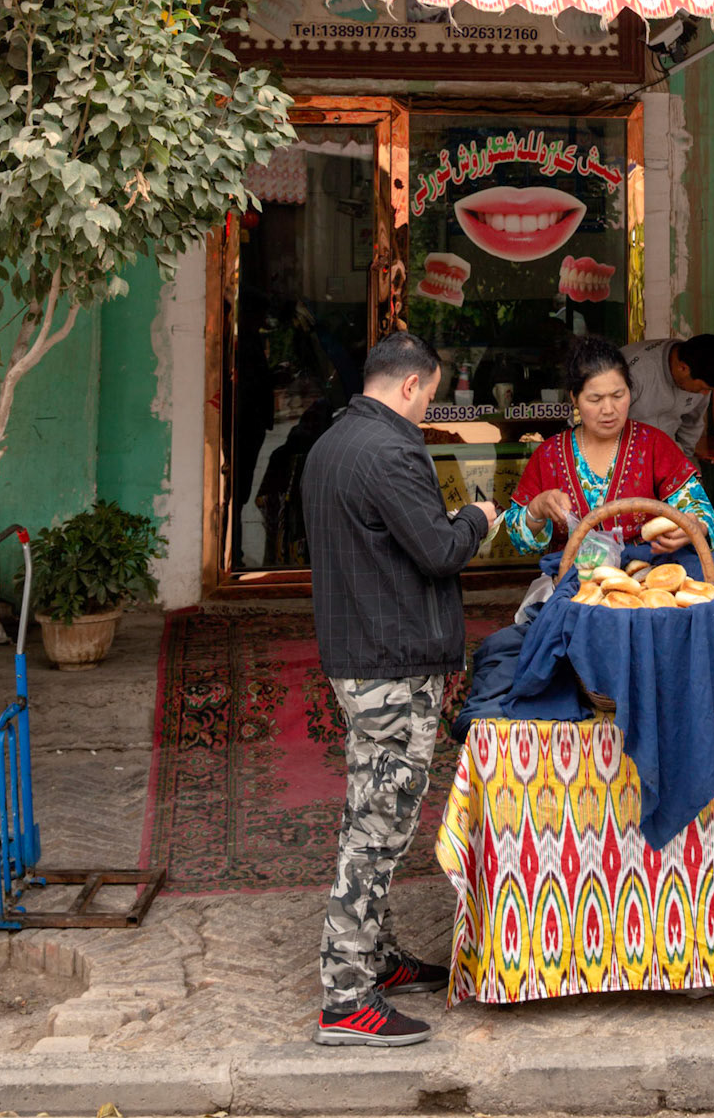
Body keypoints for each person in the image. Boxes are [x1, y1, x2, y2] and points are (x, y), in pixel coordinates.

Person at [301, 331, 496, 1048]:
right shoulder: (391, 449)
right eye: (431, 394)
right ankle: (346, 996)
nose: (428, 408)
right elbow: (439, 550)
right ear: (412, 385)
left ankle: (376, 961)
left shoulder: (333, 441)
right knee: (377, 832)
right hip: (393, 665)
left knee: (370, 808)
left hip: (360, 654)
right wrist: (480, 516)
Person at [504, 336, 714, 556]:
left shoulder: (654, 445)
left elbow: (699, 509)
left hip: (645, 579)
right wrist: (537, 508)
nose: (608, 409)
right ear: (575, 399)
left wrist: (695, 526)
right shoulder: (549, 456)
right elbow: (518, 538)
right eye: (595, 399)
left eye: (618, 395)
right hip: (572, 579)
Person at [624, 333, 714, 459]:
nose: (704, 394)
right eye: (704, 388)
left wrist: (685, 462)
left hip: (667, 457)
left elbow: (692, 424)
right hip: (625, 458)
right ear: (683, 368)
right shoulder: (632, 373)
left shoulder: (701, 371)